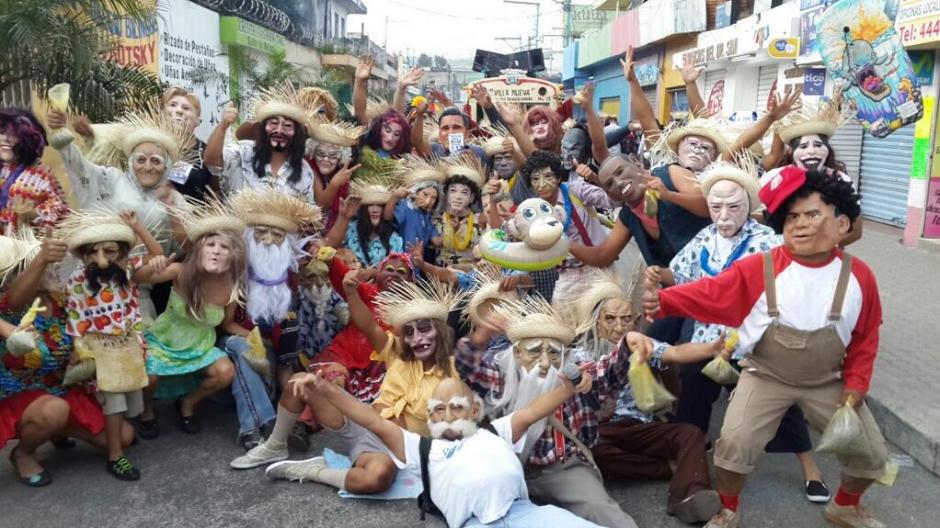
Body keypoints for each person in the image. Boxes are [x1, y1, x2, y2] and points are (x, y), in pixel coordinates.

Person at [643, 166, 888, 528]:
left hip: (828, 381)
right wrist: (663, 301)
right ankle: (728, 508)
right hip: (765, 375)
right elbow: (713, 291)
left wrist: (855, 389)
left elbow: (866, 338)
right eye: (791, 217)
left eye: (813, 214)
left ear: (843, 224)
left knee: (870, 454)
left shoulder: (860, 276)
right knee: (733, 446)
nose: (801, 224)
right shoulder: (764, 266)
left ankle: (845, 506)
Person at [646, 158, 829, 502]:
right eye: (716, 207)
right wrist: (657, 274)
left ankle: (811, 470)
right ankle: (693, 468)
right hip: (709, 341)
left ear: (748, 205)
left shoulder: (769, 241)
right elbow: (679, 274)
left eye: (733, 206)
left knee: (782, 406)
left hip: (755, 343)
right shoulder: (704, 238)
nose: (724, 215)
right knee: (692, 402)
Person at [232, 276, 460, 499]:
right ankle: (275, 445)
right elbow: (369, 326)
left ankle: (315, 471)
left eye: (424, 329)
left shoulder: (454, 374)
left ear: (440, 331)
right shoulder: (398, 353)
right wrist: (351, 292)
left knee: (375, 479)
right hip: (360, 421)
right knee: (299, 381)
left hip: (389, 448)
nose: (417, 338)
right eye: (410, 332)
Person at [280, 370, 600, 528]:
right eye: (438, 410)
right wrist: (325, 388)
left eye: (456, 407)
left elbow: (533, 411)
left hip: (527, 514)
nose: (447, 416)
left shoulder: (494, 431)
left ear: (474, 411)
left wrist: (568, 388)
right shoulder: (422, 449)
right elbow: (374, 422)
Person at [456, 295, 638, 528]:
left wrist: (628, 342)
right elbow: (467, 366)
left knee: (605, 514)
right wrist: (482, 336)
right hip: (509, 472)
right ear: (517, 353)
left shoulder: (576, 379)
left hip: (562, 470)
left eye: (553, 353)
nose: (544, 363)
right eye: (534, 352)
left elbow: (609, 370)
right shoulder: (502, 379)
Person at [568, 273, 722, 524]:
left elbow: (675, 352)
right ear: (597, 323)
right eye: (610, 318)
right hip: (604, 430)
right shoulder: (578, 355)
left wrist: (711, 348)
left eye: (626, 318)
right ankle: (667, 468)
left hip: (642, 426)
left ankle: (691, 495)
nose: (618, 326)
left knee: (690, 433)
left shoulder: (643, 344)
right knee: (590, 450)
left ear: (636, 322)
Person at [0, 230, 135, 487]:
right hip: (18, 397)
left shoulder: (61, 300)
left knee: (124, 438)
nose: (52, 269)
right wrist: (41, 258)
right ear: (17, 273)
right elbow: (14, 302)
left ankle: (57, 429)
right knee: (54, 411)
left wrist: (81, 351)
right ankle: (24, 453)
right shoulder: (7, 309)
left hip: (60, 390)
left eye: (52, 264)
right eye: (38, 264)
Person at [47, 107, 189, 321]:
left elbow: (189, 246)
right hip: (92, 281)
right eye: (141, 159)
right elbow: (80, 168)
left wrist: (173, 212)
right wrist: (61, 135)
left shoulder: (174, 199)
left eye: (156, 161)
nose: (147, 166)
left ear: (167, 166)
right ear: (131, 161)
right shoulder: (111, 178)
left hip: (138, 293)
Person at [61, 210, 168, 480]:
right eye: (93, 253)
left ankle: (121, 437)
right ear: (83, 255)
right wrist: (81, 352)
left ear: (121, 252)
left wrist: (137, 226)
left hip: (130, 344)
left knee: (130, 397)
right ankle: (114, 456)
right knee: (114, 401)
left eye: (110, 251)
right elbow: (76, 319)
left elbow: (158, 257)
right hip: (100, 349)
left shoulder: (127, 269)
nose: (102, 260)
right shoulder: (76, 281)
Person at [138, 200, 247, 439]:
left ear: (233, 255)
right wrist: (154, 263)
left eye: (224, 247)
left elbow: (227, 324)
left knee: (225, 372)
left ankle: (187, 404)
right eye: (211, 244)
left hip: (200, 349)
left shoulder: (232, 287)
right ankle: (146, 412)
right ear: (200, 250)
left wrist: (257, 338)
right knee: (148, 373)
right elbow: (136, 278)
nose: (217, 250)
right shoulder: (180, 271)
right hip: (164, 342)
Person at [223, 188, 321, 447]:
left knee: (281, 371)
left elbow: (286, 363)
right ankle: (258, 425)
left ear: (286, 242)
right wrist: (252, 338)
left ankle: (273, 423)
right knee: (240, 349)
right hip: (244, 342)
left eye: (276, 235)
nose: (267, 241)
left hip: (273, 356)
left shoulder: (289, 280)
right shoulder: (239, 274)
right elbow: (227, 324)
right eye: (260, 233)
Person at [517, 150, 613, 305]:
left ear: (558, 177)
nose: (541, 184)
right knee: (565, 324)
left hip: (598, 268)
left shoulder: (576, 190)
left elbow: (612, 200)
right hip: (566, 274)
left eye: (548, 176)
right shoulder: (535, 210)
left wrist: (595, 178)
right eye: (535, 179)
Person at [766, 94, 864, 245]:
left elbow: (856, 230)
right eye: (804, 146)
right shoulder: (774, 177)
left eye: (818, 145)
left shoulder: (840, 180)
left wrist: (824, 247)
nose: (811, 151)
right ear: (791, 151)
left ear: (827, 149)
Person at [204, 86, 315, 203]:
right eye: (273, 123)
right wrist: (223, 125)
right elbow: (211, 161)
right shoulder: (242, 151)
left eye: (288, 126)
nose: (279, 130)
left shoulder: (304, 171)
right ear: (262, 128)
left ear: (296, 134)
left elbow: (306, 214)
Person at [0, 108, 69, 234]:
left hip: (23, 247)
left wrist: (33, 213)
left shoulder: (41, 174)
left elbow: (61, 209)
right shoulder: (2, 169)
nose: (6, 139)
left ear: (27, 139)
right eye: (2, 132)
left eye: (14, 134)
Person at [323, 178, 404, 268]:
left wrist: (371, 273)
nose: (375, 210)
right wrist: (343, 217)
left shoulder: (395, 240)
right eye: (370, 205)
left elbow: (397, 269)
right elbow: (327, 247)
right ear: (363, 209)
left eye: (379, 206)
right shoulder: (350, 229)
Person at [307, 120, 364, 233]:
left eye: (332, 156)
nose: (326, 160)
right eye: (321, 154)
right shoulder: (309, 169)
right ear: (313, 152)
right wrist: (334, 184)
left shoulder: (342, 175)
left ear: (340, 158)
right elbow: (321, 206)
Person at [161, 87, 216, 201]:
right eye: (173, 105)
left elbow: (216, 192)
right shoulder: (149, 146)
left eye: (186, 108)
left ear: (198, 121)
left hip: (197, 216)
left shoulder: (207, 153)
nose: (179, 111)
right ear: (162, 114)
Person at [435, 155, 486, 270]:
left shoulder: (480, 221)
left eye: (464, 192)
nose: (458, 197)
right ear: (446, 195)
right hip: (441, 277)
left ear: (471, 198)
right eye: (453, 191)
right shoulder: (436, 220)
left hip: (471, 277)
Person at [385, 155, 444, 250]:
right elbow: (387, 217)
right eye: (425, 194)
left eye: (434, 198)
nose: (429, 201)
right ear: (415, 192)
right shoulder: (405, 207)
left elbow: (437, 241)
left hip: (418, 263)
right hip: (401, 262)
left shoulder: (426, 218)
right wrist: (394, 197)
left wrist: (453, 228)